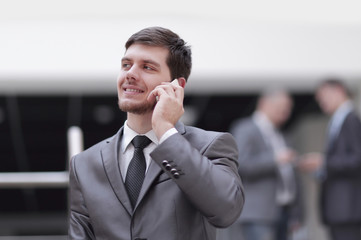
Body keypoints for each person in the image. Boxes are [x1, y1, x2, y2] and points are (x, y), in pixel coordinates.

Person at [68, 26, 244, 240]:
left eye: (147, 67)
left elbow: (226, 212)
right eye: (126, 65)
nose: (130, 74)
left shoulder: (211, 145)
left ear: (176, 85)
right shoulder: (84, 164)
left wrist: (166, 132)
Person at [229, 89, 302, 240]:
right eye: (282, 106)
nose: (286, 111)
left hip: (284, 212)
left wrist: (297, 213)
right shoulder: (245, 129)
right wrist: (275, 159)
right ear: (264, 103)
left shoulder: (282, 135)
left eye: (288, 107)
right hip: (258, 213)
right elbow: (240, 164)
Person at [300, 79, 361, 240]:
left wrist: (323, 162)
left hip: (348, 209)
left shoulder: (350, 119)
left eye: (323, 96)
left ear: (339, 90)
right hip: (341, 209)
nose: (321, 102)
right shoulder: (339, 120)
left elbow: (357, 160)